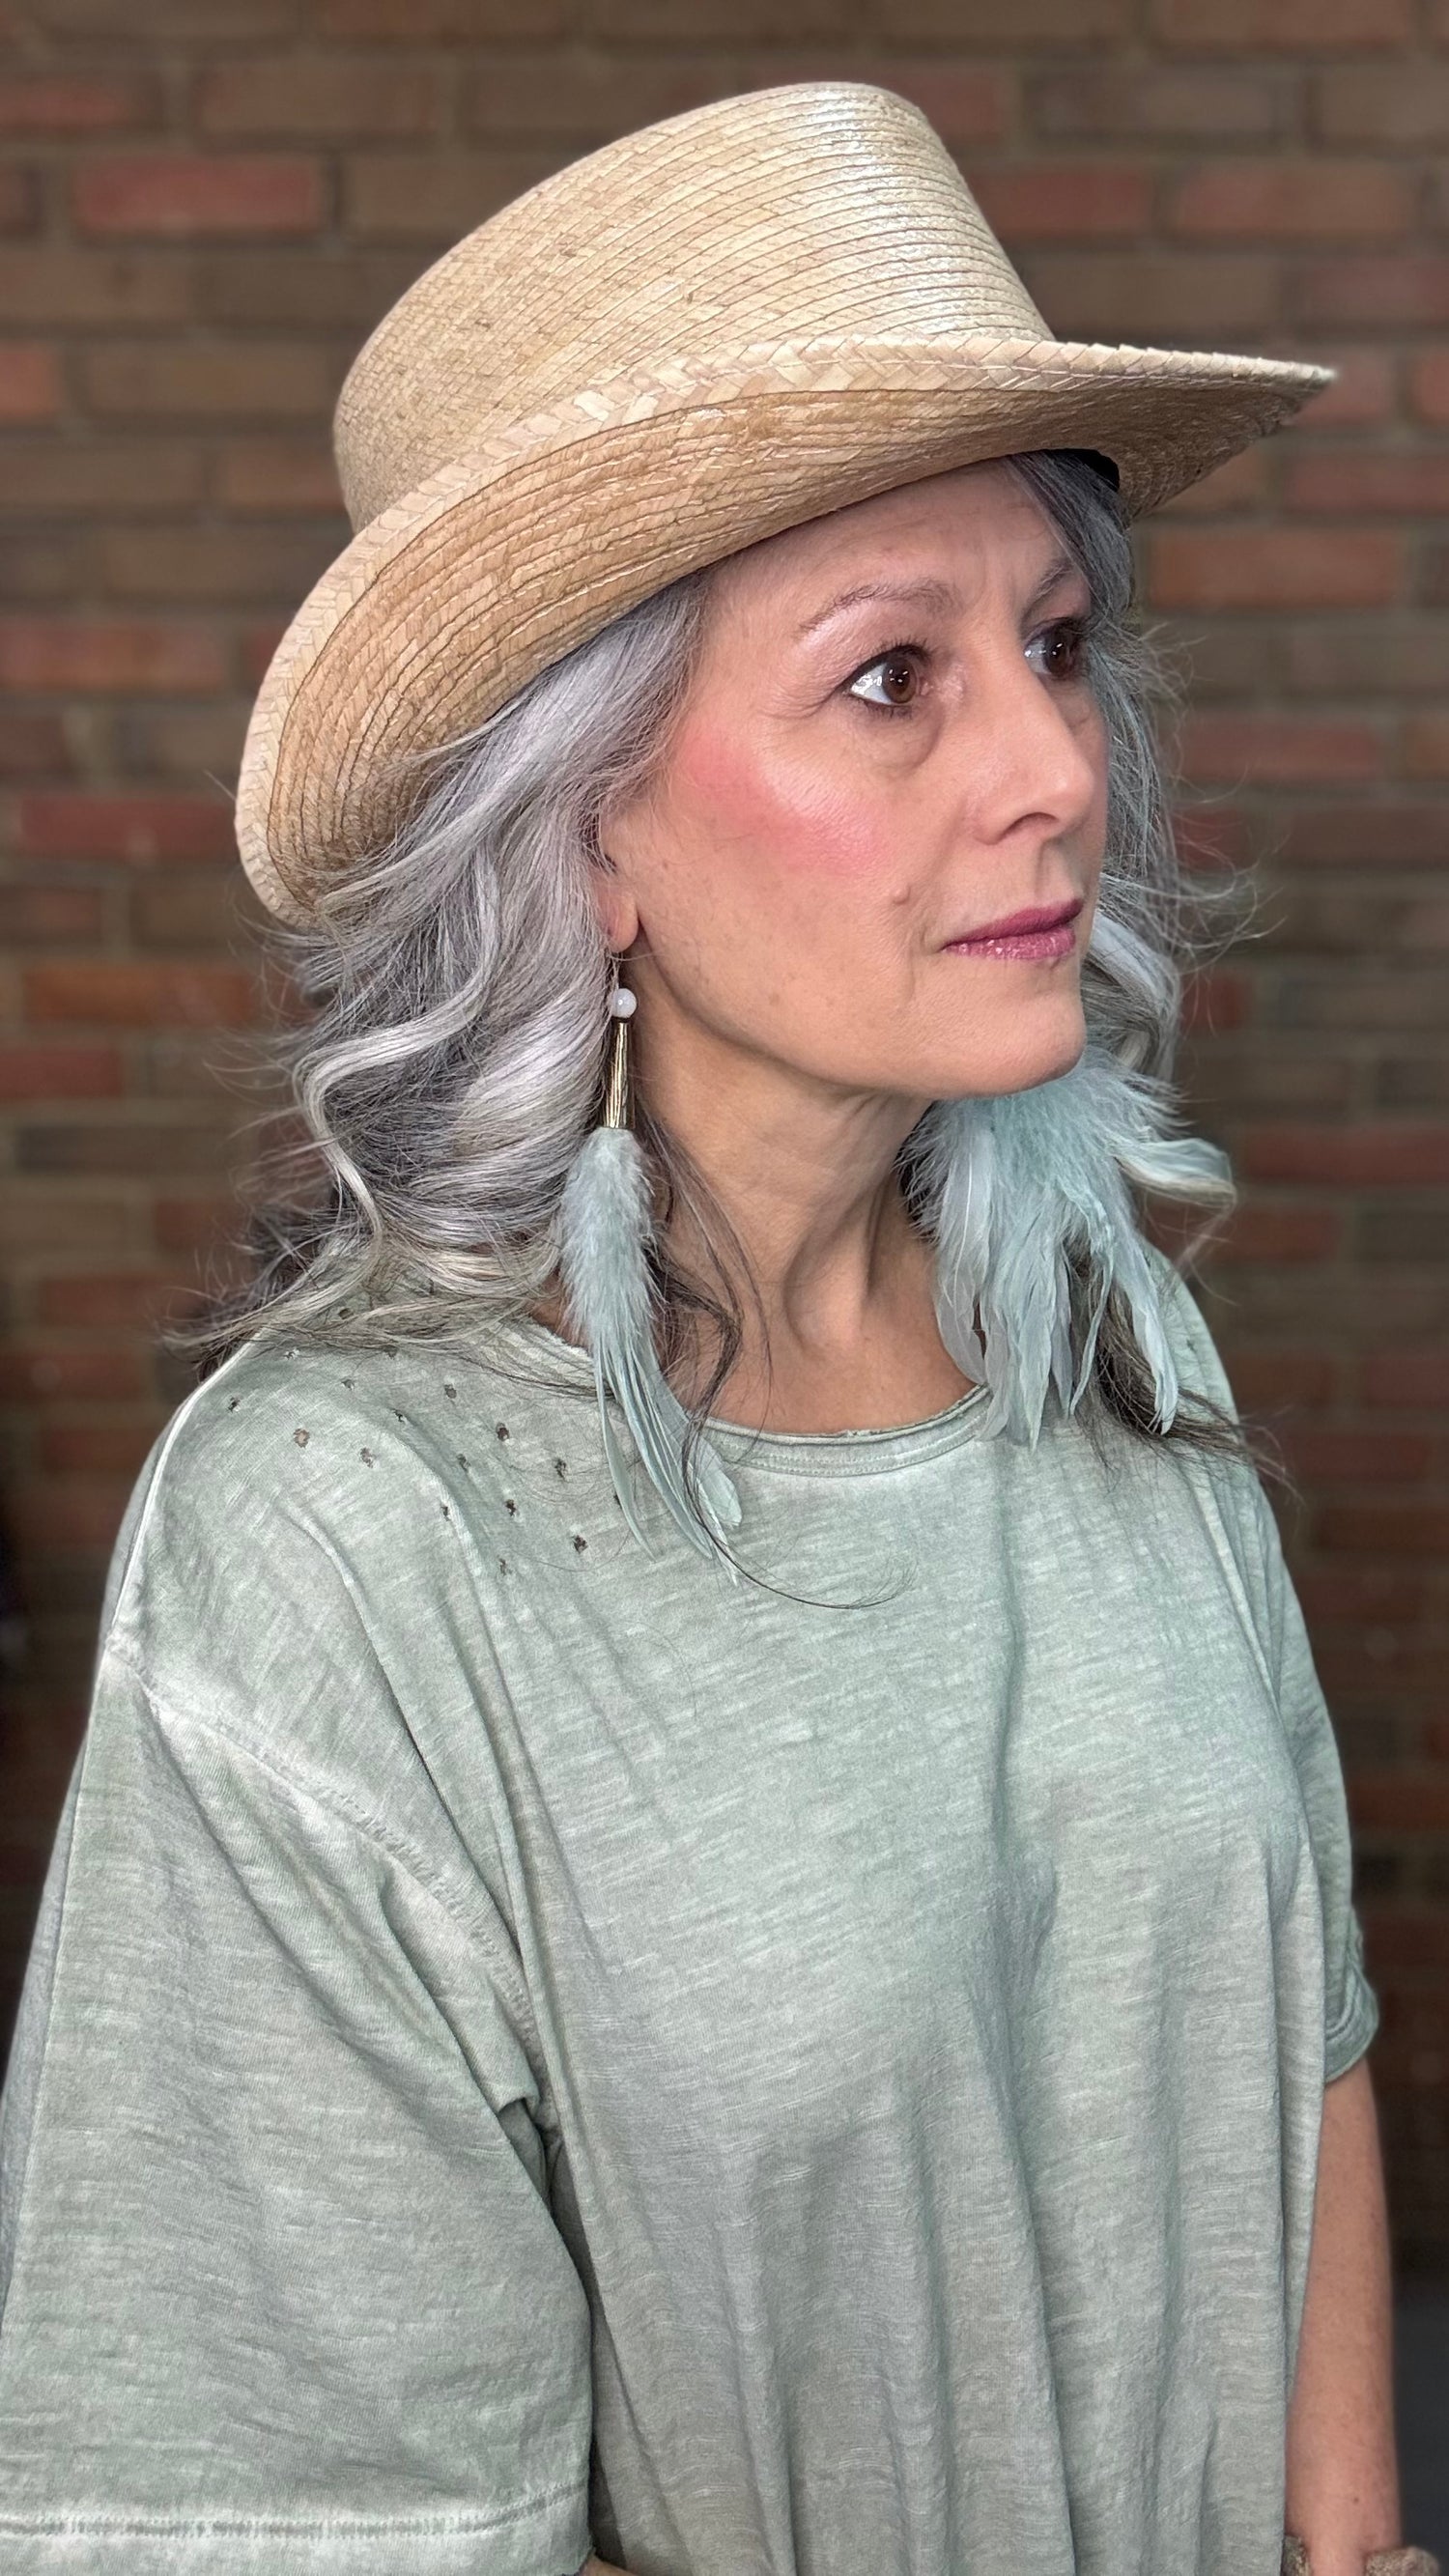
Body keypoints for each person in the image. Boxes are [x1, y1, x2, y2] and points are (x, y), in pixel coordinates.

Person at [0, 80, 1433, 2576]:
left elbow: (1283, 2022)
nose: (1048, 774)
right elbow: (290, 2503)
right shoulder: (348, 1539)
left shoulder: (1103, 1328)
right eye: (890, 678)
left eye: (1056, 645)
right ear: (584, 829)